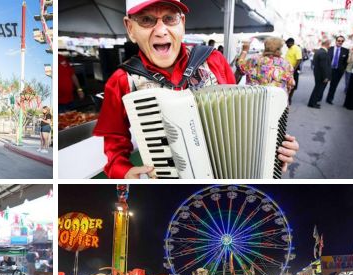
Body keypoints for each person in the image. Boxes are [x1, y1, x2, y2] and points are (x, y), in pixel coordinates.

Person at [93, 0, 299, 179]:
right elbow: (114, 149)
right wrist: (125, 172)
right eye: (146, 20)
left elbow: (243, 123)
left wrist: (275, 149)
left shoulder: (214, 60)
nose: (161, 30)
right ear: (130, 29)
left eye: (169, 18)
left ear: (182, 23)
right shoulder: (120, 81)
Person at [308, 39, 332, 109]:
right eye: (329, 44)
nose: (330, 46)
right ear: (327, 44)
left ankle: (313, 102)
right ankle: (312, 103)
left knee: (317, 89)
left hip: (318, 74)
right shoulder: (323, 53)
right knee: (318, 90)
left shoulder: (319, 51)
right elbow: (324, 66)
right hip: (321, 76)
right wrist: (326, 77)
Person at [326, 35, 349, 105]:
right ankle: (318, 97)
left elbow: (346, 62)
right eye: (339, 41)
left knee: (333, 86)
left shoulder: (345, 50)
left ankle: (329, 99)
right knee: (324, 84)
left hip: (338, 71)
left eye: (342, 41)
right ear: (336, 41)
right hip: (328, 70)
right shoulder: (329, 48)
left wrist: (342, 69)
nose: (340, 42)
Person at [284, 38, 302, 105]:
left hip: (293, 70)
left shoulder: (297, 48)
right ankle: (286, 97)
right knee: (287, 83)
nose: (286, 45)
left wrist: (294, 69)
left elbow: (299, 60)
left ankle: (289, 98)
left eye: (287, 44)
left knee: (293, 84)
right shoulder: (289, 48)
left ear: (291, 43)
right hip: (287, 69)